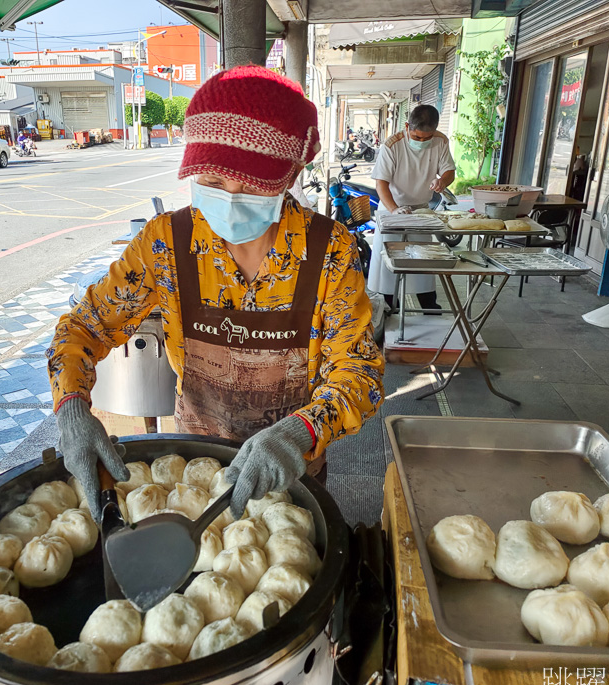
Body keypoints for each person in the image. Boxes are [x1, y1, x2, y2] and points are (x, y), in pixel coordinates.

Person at [47, 65, 385, 520]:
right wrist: (71, 408)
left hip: (293, 470)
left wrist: (301, 431)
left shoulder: (329, 251)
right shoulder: (166, 244)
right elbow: (83, 328)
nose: (228, 195)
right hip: (195, 473)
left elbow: (357, 370)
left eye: (249, 185)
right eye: (211, 182)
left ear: (290, 174)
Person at [368, 104, 456, 311]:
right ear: (407, 126)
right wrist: (394, 210)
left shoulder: (440, 141)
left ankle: (429, 306)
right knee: (389, 263)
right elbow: (381, 183)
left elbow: (449, 170)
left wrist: (443, 181)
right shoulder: (393, 145)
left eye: (427, 138)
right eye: (417, 138)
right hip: (392, 209)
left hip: (421, 210)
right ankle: (389, 308)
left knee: (424, 261)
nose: (423, 142)